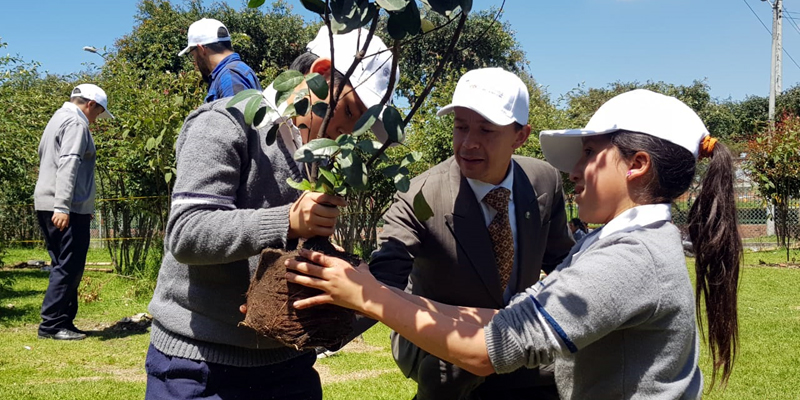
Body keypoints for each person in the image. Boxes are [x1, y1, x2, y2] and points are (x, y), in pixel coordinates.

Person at [285, 89, 742, 399]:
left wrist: (369, 295)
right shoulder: (617, 242)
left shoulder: (630, 259)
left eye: (587, 155)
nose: (574, 171)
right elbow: (510, 319)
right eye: (463, 127)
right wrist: (368, 293)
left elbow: (490, 348)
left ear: (636, 165)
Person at [145, 26, 397, 400]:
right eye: (349, 112)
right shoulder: (225, 123)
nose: (347, 131)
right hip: (200, 368)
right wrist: (287, 220)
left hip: (288, 364)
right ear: (319, 73)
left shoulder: (319, 159)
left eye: (361, 124)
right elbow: (186, 233)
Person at [361, 68, 574, 399]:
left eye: (486, 130)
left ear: (520, 136)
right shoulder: (420, 196)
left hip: (521, 342)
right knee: (453, 373)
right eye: (461, 127)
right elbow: (385, 275)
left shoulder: (544, 181)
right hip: (444, 351)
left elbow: (563, 261)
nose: (469, 143)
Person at [34, 84, 114, 341]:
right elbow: (69, 161)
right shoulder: (77, 124)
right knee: (70, 265)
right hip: (66, 206)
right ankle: (52, 324)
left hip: (46, 201)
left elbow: (44, 156)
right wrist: (63, 206)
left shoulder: (57, 118)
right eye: (98, 112)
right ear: (90, 104)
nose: (96, 119)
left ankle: (64, 321)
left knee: (61, 263)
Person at [178, 18, 262, 103]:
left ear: (201, 49)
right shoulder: (236, 71)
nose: (194, 62)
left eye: (193, 55)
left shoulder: (230, 77)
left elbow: (237, 115)